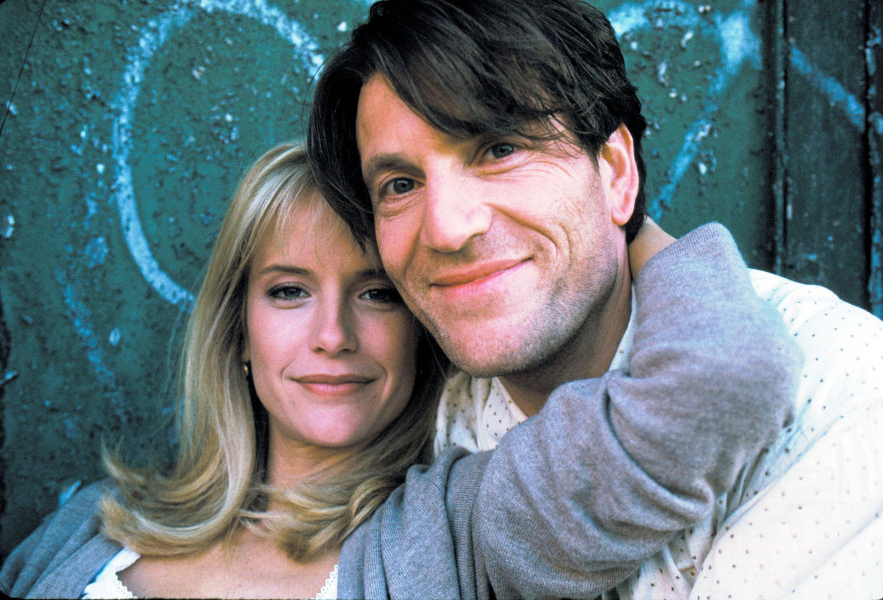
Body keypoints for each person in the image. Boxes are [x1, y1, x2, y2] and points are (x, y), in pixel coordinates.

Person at [0, 143, 799, 599]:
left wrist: (618, 209)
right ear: (238, 331)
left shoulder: (462, 532)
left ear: (423, 327)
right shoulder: (93, 528)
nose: (333, 336)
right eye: (288, 291)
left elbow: (713, 387)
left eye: (376, 294)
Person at [306, 0, 883, 598]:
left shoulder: (840, 397)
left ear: (616, 172)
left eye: (500, 150)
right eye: (400, 185)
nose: (447, 229)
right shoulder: (411, 414)